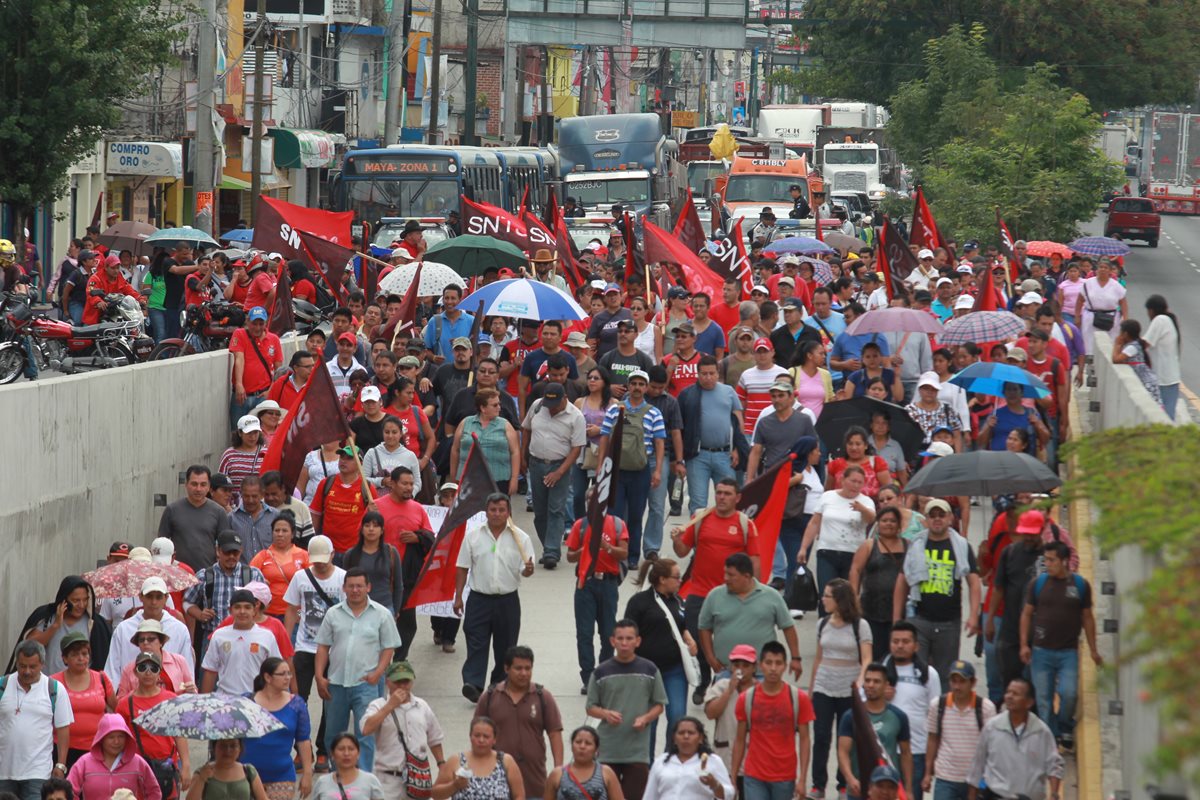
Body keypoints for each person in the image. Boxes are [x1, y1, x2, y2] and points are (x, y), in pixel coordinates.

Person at [670, 479, 760, 701]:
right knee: (696, 637)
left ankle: (720, 677)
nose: (721, 497)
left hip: (731, 594)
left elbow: (754, 561)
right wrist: (676, 540)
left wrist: (754, 591)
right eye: (719, 492)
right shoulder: (700, 519)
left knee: (725, 638)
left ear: (738, 498)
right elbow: (682, 552)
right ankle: (704, 677)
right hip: (699, 591)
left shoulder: (745, 524)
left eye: (727, 493)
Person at [314, 568, 401, 771]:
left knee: (366, 734)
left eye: (359, 586)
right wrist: (319, 676)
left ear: (368, 587)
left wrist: (378, 673)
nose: (355, 590)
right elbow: (323, 647)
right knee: (333, 735)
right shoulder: (333, 614)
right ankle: (338, 777)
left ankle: (364, 779)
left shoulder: (382, 614)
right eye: (351, 586)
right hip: (336, 683)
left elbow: (389, 647)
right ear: (344, 588)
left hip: (366, 684)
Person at [1019, 541, 1101, 750]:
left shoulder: (1080, 586)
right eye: (1046, 560)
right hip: (1041, 651)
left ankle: (1065, 726)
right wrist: (1024, 644)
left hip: (1068, 652)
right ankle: (1051, 737)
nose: (1047, 564)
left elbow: (1087, 617)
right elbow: (1026, 614)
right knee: (1044, 700)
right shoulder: (1038, 584)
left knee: (1069, 693)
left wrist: (1093, 649)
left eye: (1052, 560)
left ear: (1064, 561)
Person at [455, 494, 536, 702]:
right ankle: (473, 683)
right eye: (493, 510)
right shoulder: (473, 536)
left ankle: (499, 684)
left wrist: (528, 570)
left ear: (508, 512)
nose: (497, 514)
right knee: (476, 642)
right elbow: (462, 567)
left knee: (506, 646)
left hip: (507, 601)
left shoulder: (521, 538)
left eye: (501, 510)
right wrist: (458, 597)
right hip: (479, 599)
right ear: (486, 511)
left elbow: (526, 570)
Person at [893, 500, 981, 682]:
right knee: (917, 673)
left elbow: (974, 583)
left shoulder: (961, 546)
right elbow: (902, 581)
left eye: (941, 515)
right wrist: (896, 618)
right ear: (926, 520)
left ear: (950, 518)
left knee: (945, 677)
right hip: (919, 619)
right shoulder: (916, 545)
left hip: (949, 622)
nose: (937, 519)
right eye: (932, 516)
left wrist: (973, 616)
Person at [806, 578, 873, 800]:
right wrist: (811, 689)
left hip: (848, 688)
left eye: (827, 596)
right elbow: (818, 658)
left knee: (845, 738)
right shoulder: (822, 624)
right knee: (821, 736)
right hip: (824, 687)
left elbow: (867, 658)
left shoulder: (860, 626)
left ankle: (843, 783)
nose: (823, 599)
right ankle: (818, 785)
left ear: (840, 600)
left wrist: (861, 681)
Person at [585, 620, 667, 799]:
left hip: (637, 751)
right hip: (608, 750)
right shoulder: (601, 672)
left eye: (629, 638)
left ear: (638, 641)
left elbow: (659, 705)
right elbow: (590, 707)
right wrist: (606, 713)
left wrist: (645, 718)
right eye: (620, 638)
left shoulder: (650, 670)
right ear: (612, 641)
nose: (624, 643)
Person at [282, 535, 344, 772]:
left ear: (332, 555)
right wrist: (286, 642)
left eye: (324, 559)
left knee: (330, 700)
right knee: (298, 700)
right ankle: (302, 749)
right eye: (315, 560)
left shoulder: (342, 578)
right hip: (304, 647)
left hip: (334, 649)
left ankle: (323, 750)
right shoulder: (301, 577)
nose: (319, 564)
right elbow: (291, 609)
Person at [595, 370, 666, 568]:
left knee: (636, 515)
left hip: (641, 471)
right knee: (615, 515)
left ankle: (632, 556)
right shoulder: (614, 409)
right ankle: (615, 553)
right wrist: (600, 465)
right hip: (616, 470)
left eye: (641, 384)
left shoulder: (654, 413)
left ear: (646, 388)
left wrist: (658, 471)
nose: (637, 387)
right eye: (633, 383)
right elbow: (605, 437)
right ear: (628, 385)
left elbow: (659, 442)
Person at [473, 647, 564, 798]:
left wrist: (558, 770)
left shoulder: (543, 697)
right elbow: (477, 734)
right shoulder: (490, 697)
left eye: (528, 668)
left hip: (535, 783)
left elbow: (555, 734)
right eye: (518, 668)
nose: (524, 673)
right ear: (506, 668)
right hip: (497, 782)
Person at [699, 553, 801, 684]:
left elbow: (788, 627)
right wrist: (710, 658)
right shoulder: (715, 596)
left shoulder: (772, 596)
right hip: (726, 673)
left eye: (731, 575)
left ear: (746, 576)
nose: (725, 578)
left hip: (762, 675)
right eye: (725, 573)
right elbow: (704, 628)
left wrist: (796, 658)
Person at [730, 640, 814, 800]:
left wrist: (802, 779)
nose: (773, 668)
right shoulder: (747, 699)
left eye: (778, 663)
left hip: (785, 776)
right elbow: (739, 740)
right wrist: (733, 777)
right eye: (768, 663)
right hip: (754, 775)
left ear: (785, 666)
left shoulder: (798, 698)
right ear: (760, 665)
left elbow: (805, 740)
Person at [0, 640, 74, 800]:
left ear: (42, 664)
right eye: (22, 666)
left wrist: (61, 765)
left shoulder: (55, 689)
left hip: (38, 773)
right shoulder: (2, 686)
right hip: (3, 772)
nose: (27, 671)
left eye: (32, 666)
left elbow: (63, 730)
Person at [523, 382, 586, 569]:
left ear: (565, 398)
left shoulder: (576, 416)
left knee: (556, 509)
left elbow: (577, 448)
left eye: (555, 405)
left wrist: (559, 472)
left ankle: (551, 552)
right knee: (540, 511)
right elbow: (526, 429)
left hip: (560, 465)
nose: (551, 409)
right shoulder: (537, 406)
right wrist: (524, 456)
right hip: (536, 463)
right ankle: (548, 547)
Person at [362, 661, 446, 800]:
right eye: (397, 682)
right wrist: (389, 706)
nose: (402, 686)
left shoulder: (422, 706)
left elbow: (434, 738)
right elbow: (366, 729)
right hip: (387, 779)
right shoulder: (377, 705)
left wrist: (441, 764)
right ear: (388, 682)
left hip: (417, 777)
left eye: (406, 682)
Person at [966, 679, 1063, 800]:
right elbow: (977, 764)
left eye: (1016, 694)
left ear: (1029, 702)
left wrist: (1054, 794)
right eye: (1008, 692)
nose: (1009, 696)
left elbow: (1054, 765)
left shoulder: (1041, 731)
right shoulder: (992, 727)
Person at [566, 510, 630, 689]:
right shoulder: (580, 525)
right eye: (589, 500)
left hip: (608, 584)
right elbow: (569, 556)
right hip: (585, 583)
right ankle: (588, 676)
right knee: (584, 633)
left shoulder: (617, 524)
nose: (592, 504)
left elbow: (624, 553)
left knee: (609, 631)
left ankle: (605, 670)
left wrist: (606, 546)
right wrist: (584, 550)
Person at [117, 651, 190, 800]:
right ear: (135, 672)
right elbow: (119, 740)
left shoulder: (171, 700)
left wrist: (186, 765)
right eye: (142, 667)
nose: (148, 672)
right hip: (137, 769)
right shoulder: (125, 704)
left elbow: (179, 734)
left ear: (159, 674)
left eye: (153, 668)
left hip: (167, 768)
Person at [183, 532, 265, 662]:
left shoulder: (253, 574)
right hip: (212, 636)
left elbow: (264, 606)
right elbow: (187, 602)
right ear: (218, 551)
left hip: (246, 638)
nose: (231, 556)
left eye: (235, 553)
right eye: (227, 552)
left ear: (241, 551)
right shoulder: (204, 575)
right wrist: (200, 614)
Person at [881, 622, 940, 799]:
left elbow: (935, 716)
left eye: (905, 641)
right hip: (885, 750)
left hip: (917, 750)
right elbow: (864, 708)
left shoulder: (929, 674)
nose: (900, 646)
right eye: (895, 641)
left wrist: (932, 760)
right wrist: (880, 695)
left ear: (916, 646)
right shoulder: (879, 673)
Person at [837, 664, 913, 800]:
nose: (871, 685)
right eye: (867, 680)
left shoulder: (899, 716)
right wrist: (850, 779)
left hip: (888, 790)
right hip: (858, 789)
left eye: (876, 681)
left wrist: (907, 789)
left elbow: (906, 754)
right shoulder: (851, 716)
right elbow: (843, 752)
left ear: (886, 685)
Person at [678, 356, 743, 516]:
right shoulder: (687, 395)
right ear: (697, 374)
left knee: (729, 504)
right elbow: (678, 429)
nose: (708, 377)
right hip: (697, 456)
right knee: (698, 505)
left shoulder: (729, 392)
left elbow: (738, 421)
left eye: (712, 373)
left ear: (718, 373)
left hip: (725, 455)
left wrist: (737, 448)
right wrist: (679, 459)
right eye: (704, 374)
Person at [242, 658, 313, 800]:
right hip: (245, 776)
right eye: (282, 674)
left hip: (282, 776)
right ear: (268, 677)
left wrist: (307, 773)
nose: (288, 678)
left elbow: (304, 740)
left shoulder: (296, 704)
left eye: (289, 673)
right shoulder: (246, 702)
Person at [923, 660, 995, 800]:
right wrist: (927, 774)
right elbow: (932, 739)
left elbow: (991, 746)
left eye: (962, 681)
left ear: (973, 683)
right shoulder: (938, 705)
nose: (957, 686)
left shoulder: (985, 708)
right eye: (954, 681)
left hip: (975, 779)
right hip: (945, 777)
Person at [13, 576, 112, 676]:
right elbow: (28, 646)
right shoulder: (47, 617)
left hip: (79, 684)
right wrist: (55, 625)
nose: (81, 605)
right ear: (64, 599)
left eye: (85, 600)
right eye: (76, 600)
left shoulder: (95, 624)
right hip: (49, 682)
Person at [801, 466, 876, 597]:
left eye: (860, 482)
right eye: (853, 481)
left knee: (847, 596)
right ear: (843, 480)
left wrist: (863, 510)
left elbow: (871, 519)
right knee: (826, 593)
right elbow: (814, 523)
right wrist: (803, 548)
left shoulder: (866, 501)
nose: (856, 485)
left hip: (853, 554)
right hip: (827, 551)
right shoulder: (828, 496)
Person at [105, 578, 194, 687]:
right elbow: (112, 670)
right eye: (149, 596)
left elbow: (188, 672)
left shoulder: (180, 629)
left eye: (158, 597)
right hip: (131, 693)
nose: (154, 602)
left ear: (166, 598)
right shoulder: (123, 629)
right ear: (141, 597)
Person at [849, 508, 909, 659]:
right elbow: (855, 570)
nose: (888, 524)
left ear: (899, 524)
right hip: (871, 609)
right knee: (873, 654)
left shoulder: (908, 545)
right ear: (878, 524)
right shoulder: (869, 545)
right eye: (884, 520)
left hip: (901, 611)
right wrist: (854, 596)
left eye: (893, 521)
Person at [52, 633, 116, 770]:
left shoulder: (101, 678)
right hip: (62, 751)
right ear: (64, 658)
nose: (81, 658)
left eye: (84, 654)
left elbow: (118, 710)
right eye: (75, 654)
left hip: (97, 749)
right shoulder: (53, 683)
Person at [200, 589, 281, 695]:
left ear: (254, 611)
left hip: (256, 698)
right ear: (230, 610)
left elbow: (275, 671)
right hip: (225, 698)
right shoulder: (219, 635)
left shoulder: (267, 636)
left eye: (247, 607)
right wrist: (205, 700)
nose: (242, 611)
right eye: (237, 607)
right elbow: (210, 670)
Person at [66, 713, 161, 800]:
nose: (116, 741)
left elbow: (154, 791)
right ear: (101, 738)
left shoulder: (137, 762)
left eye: (121, 736)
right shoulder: (85, 762)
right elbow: (68, 791)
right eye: (111, 737)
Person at [702, 644, 757, 786]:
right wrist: (729, 690)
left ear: (754, 668)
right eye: (737, 665)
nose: (741, 670)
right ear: (731, 667)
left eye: (746, 666)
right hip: (725, 757)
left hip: (753, 761)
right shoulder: (721, 686)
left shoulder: (760, 690)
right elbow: (710, 713)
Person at [430, 717, 524, 800]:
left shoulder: (506, 761)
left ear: (494, 739)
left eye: (486, 736)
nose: (481, 740)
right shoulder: (456, 761)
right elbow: (435, 794)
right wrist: (454, 785)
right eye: (477, 735)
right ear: (470, 736)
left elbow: (519, 795)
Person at [451, 388, 521, 497]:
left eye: (499, 404)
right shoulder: (465, 423)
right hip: (468, 480)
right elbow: (455, 450)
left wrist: (514, 478)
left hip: (499, 480)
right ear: (483, 408)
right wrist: (453, 477)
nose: (499, 408)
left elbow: (515, 452)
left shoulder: (505, 425)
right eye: (495, 405)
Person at [644, 716, 734, 800]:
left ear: (700, 738)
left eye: (691, 733)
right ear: (674, 739)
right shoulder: (661, 762)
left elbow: (730, 795)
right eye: (681, 733)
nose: (686, 736)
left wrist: (714, 784)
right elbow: (650, 796)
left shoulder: (713, 761)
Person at [310, 445, 378, 554]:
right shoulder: (326, 484)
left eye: (349, 458)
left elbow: (376, 521)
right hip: (328, 551)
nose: (343, 461)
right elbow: (315, 515)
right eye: (342, 457)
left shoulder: (368, 489)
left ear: (360, 463)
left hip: (355, 552)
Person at [338, 512, 404, 615]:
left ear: (382, 530)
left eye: (376, 526)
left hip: (385, 608)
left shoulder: (391, 553)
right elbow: (345, 584)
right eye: (367, 525)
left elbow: (398, 586)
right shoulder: (350, 554)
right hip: (357, 610)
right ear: (362, 529)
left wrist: (395, 611)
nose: (371, 529)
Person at [229, 306, 284, 424]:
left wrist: (271, 390)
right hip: (242, 395)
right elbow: (239, 359)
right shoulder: (240, 334)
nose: (257, 327)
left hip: (263, 395)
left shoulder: (274, 339)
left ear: (266, 323)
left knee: (263, 430)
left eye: (261, 324)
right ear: (248, 322)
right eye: (254, 323)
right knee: (237, 430)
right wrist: (239, 384)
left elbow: (279, 369)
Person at [113, 620, 193, 698]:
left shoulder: (179, 661)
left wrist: (191, 690)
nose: (145, 642)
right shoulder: (129, 669)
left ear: (161, 642)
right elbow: (121, 699)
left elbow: (192, 690)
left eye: (151, 639)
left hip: (175, 705)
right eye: (141, 640)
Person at [544, 726, 625, 800]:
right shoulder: (557, 774)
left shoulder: (606, 773)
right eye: (578, 742)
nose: (582, 746)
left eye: (588, 743)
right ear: (572, 746)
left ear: (596, 749)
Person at [185, 739, 269, 800]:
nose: (228, 750)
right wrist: (201, 779)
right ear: (214, 747)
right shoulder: (202, 772)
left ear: (240, 748)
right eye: (223, 745)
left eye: (233, 745)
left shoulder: (248, 771)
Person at [1073, 258, 1127, 354]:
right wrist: (1077, 316)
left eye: (1106, 267)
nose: (1103, 269)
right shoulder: (1088, 283)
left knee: (1109, 344)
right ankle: (1090, 359)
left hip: (1111, 319)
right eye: (1101, 267)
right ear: (1097, 269)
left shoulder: (1116, 286)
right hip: (1091, 318)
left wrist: (1125, 318)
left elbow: (1123, 302)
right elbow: (1080, 300)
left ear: (1110, 271)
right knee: (1090, 343)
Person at [826, 426, 892, 501]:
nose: (854, 448)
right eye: (850, 444)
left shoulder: (877, 462)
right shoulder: (835, 464)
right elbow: (828, 492)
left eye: (858, 444)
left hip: (870, 507)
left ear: (866, 445)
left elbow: (889, 490)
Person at [1142, 295, 1180, 419]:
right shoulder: (1168, 320)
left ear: (1151, 310)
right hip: (1171, 378)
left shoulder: (1160, 320)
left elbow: (1145, 343)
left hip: (1162, 379)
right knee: (1169, 417)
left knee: (1163, 418)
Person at [1112, 319, 1163, 406]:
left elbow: (1116, 359)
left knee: (1151, 404)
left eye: (1120, 332)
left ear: (1125, 334)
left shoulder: (1132, 347)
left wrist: (1117, 344)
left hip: (1146, 382)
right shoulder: (1135, 344)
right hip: (1146, 380)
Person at [227, 476, 278, 561]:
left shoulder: (275, 516)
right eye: (246, 496)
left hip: (269, 567)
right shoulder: (232, 518)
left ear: (262, 495)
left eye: (254, 496)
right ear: (241, 494)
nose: (250, 500)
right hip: (242, 568)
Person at [218, 417, 265, 506]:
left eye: (255, 432)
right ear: (240, 433)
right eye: (249, 433)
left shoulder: (266, 453)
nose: (253, 437)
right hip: (234, 506)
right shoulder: (229, 455)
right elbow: (221, 483)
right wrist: (227, 507)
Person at [423, 285, 476, 363]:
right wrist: (433, 357)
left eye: (453, 298)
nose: (449, 302)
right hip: (440, 369)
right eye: (446, 298)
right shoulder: (434, 321)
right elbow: (426, 349)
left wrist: (462, 344)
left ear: (460, 300)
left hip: (465, 369)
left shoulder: (471, 321)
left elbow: (477, 349)